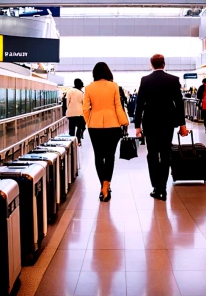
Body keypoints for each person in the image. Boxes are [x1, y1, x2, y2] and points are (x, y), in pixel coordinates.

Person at [134, 54, 188, 201]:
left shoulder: (145, 80)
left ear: (151, 65)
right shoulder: (173, 80)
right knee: (165, 154)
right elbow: (179, 104)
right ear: (164, 64)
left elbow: (140, 104)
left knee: (152, 154)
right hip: (167, 122)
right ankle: (163, 188)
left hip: (150, 122)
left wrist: (137, 125)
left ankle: (156, 187)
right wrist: (182, 125)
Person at [83, 62, 129, 202]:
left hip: (94, 125)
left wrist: (89, 121)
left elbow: (85, 109)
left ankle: (102, 186)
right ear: (108, 72)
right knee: (110, 156)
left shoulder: (89, 87)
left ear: (95, 73)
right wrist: (124, 121)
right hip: (113, 124)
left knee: (98, 156)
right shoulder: (114, 86)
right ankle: (106, 185)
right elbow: (118, 106)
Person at [66, 79, 85, 145]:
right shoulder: (81, 93)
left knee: (71, 128)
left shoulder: (69, 91)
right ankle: (78, 140)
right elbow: (84, 103)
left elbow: (67, 102)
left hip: (71, 113)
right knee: (80, 127)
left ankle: (71, 142)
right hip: (80, 113)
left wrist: (69, 109)